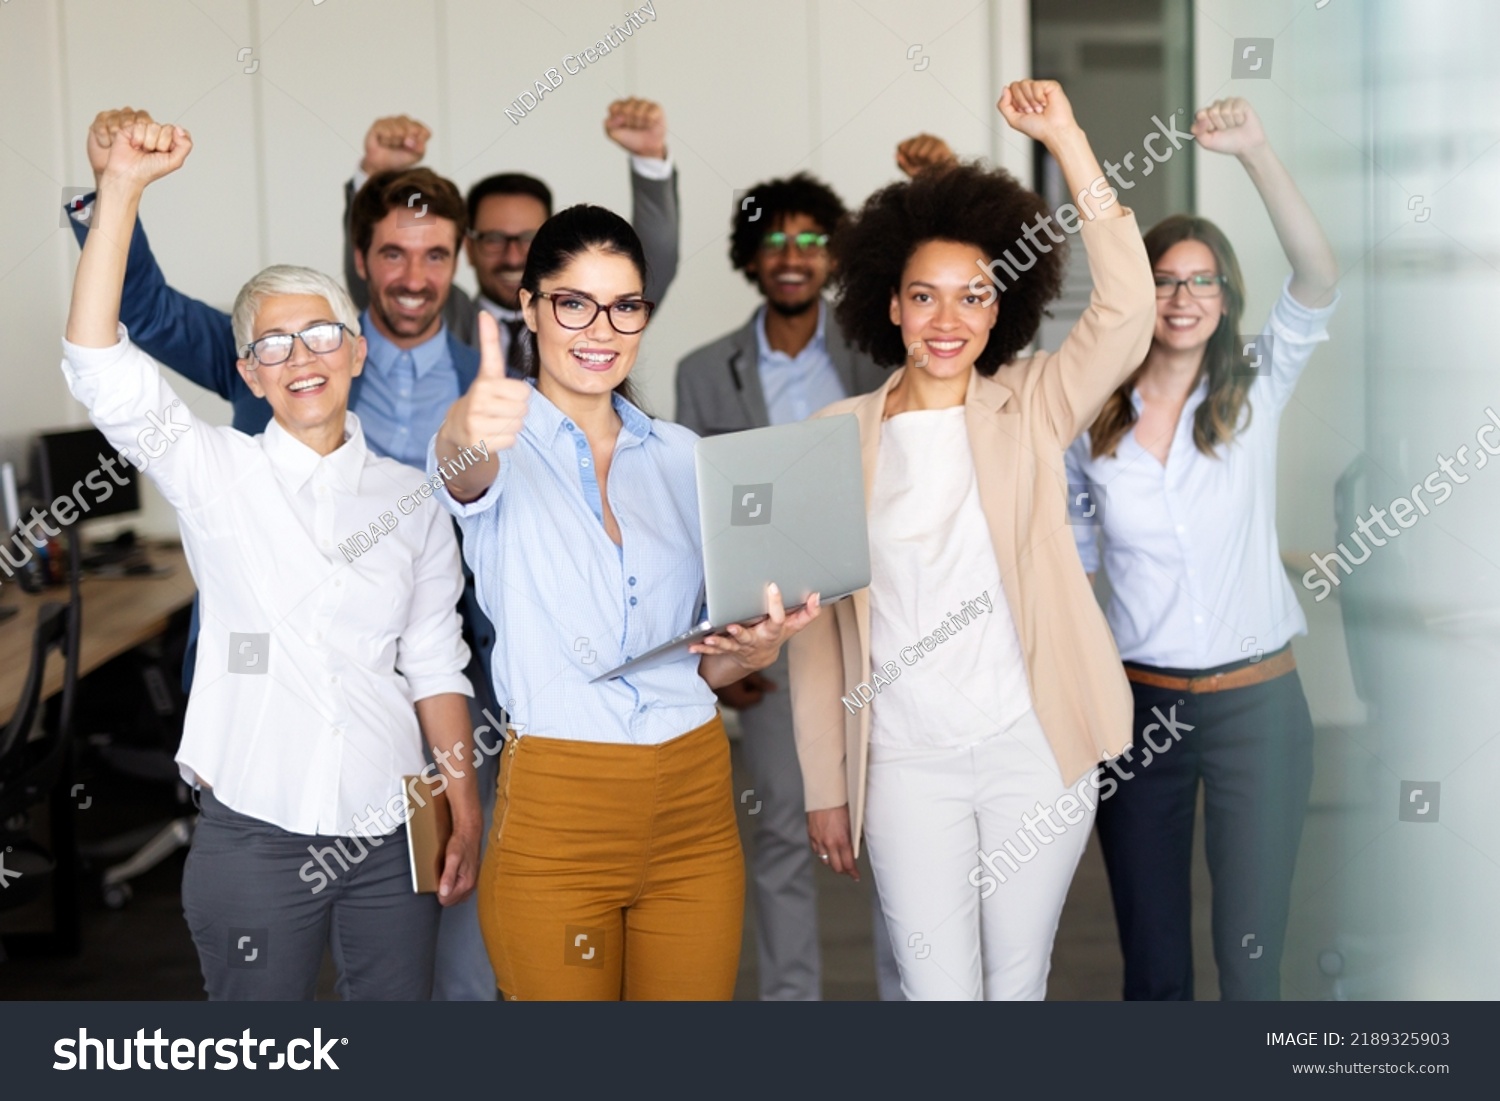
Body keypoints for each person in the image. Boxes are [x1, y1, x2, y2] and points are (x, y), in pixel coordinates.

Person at [60, 118, 480, 1000]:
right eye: (273, 346)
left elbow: (435, 661)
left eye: (322, 335)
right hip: (254, 825)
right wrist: (123, 189)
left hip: (396, 813)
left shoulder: (412, 498)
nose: (301, 359)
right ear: (250, 375)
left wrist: (463, 802)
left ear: (357, 350)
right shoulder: (216, 470)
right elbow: (99, 362)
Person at [789, 79, 1156, 1000]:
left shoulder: (1033, 404)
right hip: (906, 760)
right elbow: (816, 636)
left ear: (1000, 311)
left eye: (972, 297)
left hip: (1033, 746)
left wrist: (1069, 140)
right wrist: (823, 784)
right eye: (926, 297)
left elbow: (1129, 308)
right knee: (936, 989)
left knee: (1016, 982)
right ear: (894, 308)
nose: (948, 320)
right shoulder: (834, 435)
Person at [432, 204, 821, 1000]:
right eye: (573, 302)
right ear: (531, 309)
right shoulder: (500, 444)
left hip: (695, 798)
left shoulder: (683, 457)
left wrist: (752, 651)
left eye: (625, 305)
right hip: (558, 807)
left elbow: (693, 662)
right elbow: (459, 468)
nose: (599, 327)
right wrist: (468, 423)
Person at [1065, 97, 1339, 1001]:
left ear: (1225, 301)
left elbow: (1317, 272)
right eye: (1167, 281)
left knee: (1252, 959)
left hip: (1259, 710)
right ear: (1143, 295)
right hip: (1138, 711)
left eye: (1203, 280)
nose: (1184, 298)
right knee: (1154, 963)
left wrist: (1255, 150)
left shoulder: (1254, 387)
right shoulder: (1090, 421)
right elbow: (1069, 570)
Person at [673, 136, 954, 1001]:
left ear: (833, 255)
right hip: (772, 640)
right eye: (775, 241)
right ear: (750, 257)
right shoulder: (701, 372)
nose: (792, 257)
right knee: (787, 838)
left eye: (809, 241)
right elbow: (697, 520)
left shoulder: (876, 355)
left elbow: (945, 318)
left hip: (881, 626)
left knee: (896, 835)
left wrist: (931, 193)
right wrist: (723, 653)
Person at [347, 101, 679, 368]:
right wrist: (377, 175)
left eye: (527, 239)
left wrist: (648, 158)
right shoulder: (445, 313)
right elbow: (378, 279)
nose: (512, 256)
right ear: (468, 246)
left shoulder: (586, 311)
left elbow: (655, 259)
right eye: (493, 239)